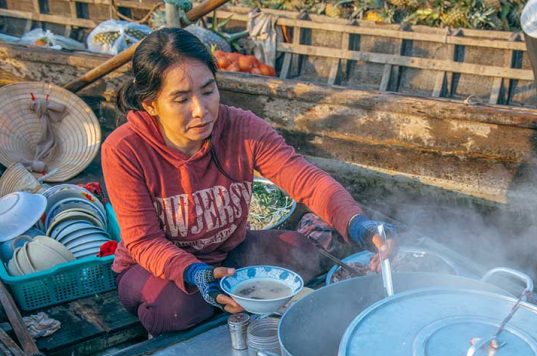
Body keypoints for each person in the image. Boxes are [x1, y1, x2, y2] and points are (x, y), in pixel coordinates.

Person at [102, 28, 395, 335]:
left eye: (208, 91)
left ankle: (228, 294)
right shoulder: (124, 149)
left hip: (229, 254)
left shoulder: (241, 127)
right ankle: (217, 296)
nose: (202, 110)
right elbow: (143, 241)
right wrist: (197, 274)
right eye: (181, 99)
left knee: (305, 252)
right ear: (151, 105)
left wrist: (359, 225)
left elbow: (307, 180)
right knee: (173, 312)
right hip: (154, 268)